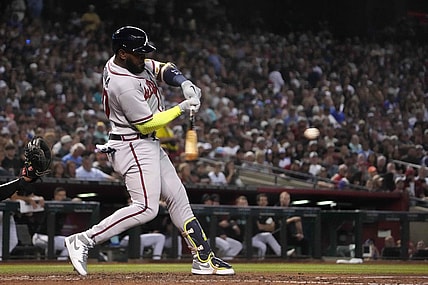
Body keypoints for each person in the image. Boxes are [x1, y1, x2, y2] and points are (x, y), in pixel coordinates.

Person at [64, 26, 234, 276]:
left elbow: (164, 68)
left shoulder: (130, 63)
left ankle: (203, 258)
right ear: (122, 53)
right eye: (138, 53)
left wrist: (184, 82)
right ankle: (84, 240)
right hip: (131, 143)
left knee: (179, 198)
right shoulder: (123, 83)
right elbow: (146, 123)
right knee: (146, 208)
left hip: (146, 143)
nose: (143, 57)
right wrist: (181, 108)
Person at [31, 187, 75, 260]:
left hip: (54, 237)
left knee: (72, 244)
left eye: (64, 195)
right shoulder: (49, 205)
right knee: (51, 243)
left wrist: (74, 200)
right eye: (60, 195)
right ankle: (48, 262)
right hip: (40, 236)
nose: (63, 197)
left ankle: (60, 262)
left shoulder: (65, 205)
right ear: (55, 196)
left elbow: (76, 201)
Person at [251, 193, 295, 259]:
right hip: (250, 238)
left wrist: (264, 227)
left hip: (260, 236)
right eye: (262, 200)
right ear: (258, 202)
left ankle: (281, 253)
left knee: (268, 236)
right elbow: (259, 227)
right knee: (263, 246)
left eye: (265, 200)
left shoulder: (268, 212)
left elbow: (272, 228)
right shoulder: (254, 212)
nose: (263, 202)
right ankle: (260, 261)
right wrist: (266, 227)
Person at [274, 191, 310, 256]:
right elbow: (280, 223)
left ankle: (305, 259)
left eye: (288, 199)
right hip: (277, 235)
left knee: (304, 241)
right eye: (284, 198)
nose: (286, 200)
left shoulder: (292, 208)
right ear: (280, 199)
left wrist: (300, 233)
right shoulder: (276, 208)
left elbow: (298, 220)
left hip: (289, 235)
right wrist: (292, 219)